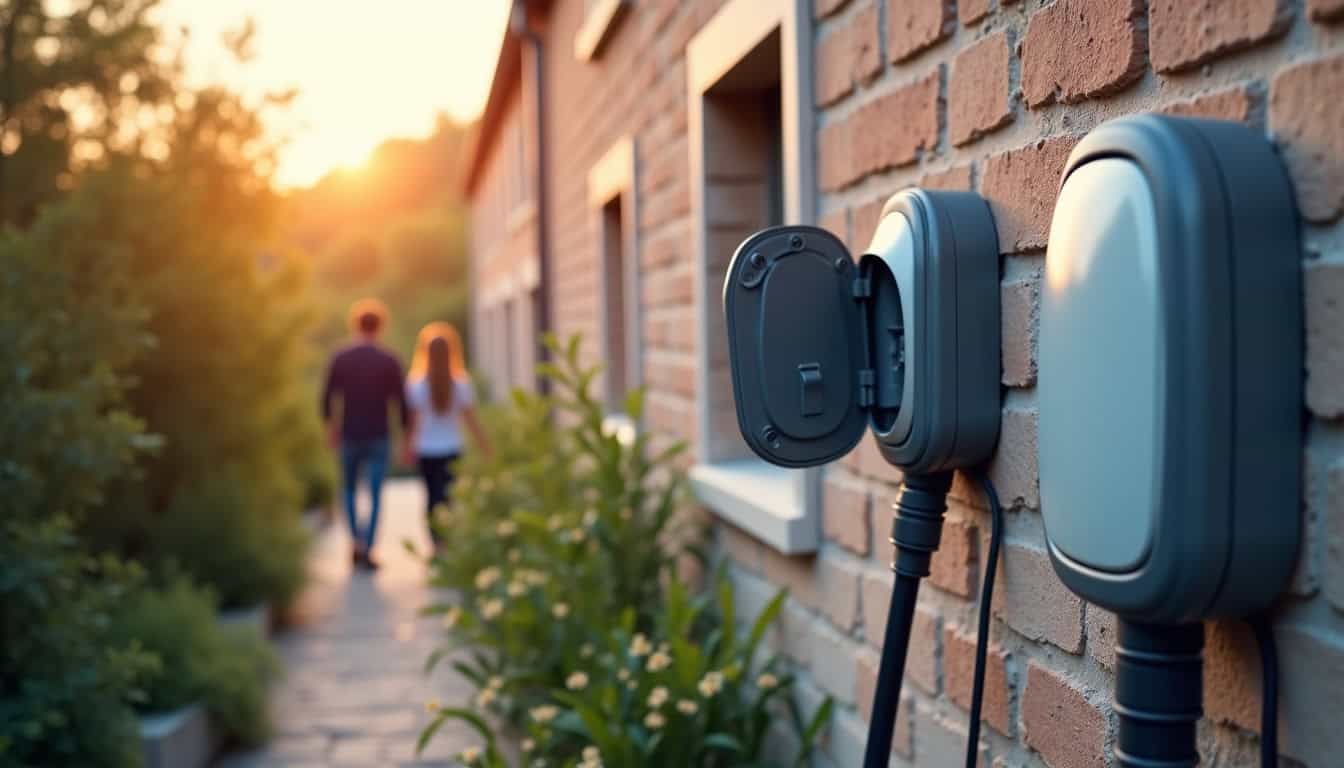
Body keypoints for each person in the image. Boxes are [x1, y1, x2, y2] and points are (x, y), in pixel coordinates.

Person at [321, 298, 411, 571]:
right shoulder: (389, 360)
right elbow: (401, 403)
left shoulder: (341, 357)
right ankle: (368, 547)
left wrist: (331, 428)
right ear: (381, 326)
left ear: (355, 325)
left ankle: (356, 541)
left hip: (349, 433)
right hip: (378, 435)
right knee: (374, 494)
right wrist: (405, 438)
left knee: (348, 490)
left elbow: (327, 397)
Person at [404, 322, 490, 546]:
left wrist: (407, 447)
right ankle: (449, 540)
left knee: (432, 497)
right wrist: (485, 447)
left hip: (426, 449)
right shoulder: (461, 385)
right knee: (449, 497)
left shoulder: (416, 385)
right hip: (452, 448)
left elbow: (413, 423)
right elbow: (472, 422)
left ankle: (436, 542)